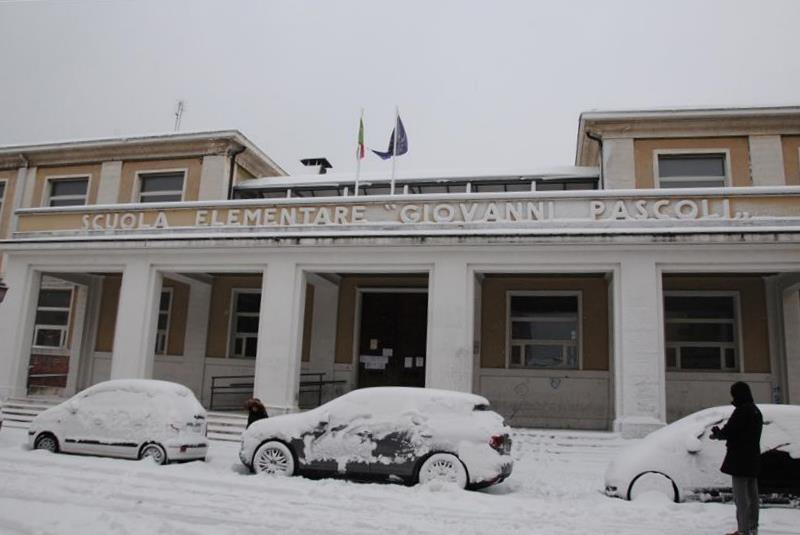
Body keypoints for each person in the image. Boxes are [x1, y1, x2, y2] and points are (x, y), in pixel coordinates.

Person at [710, 381, 763, 535]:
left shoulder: (741, 411)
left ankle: (743, 530)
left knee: (741, 498)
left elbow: (730, 431)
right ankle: (753, 528)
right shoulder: (756, 411)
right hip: (753, 459)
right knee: (753, 497)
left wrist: (718, 434)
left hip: (740, 460)